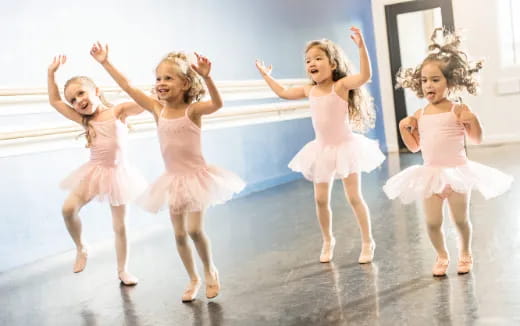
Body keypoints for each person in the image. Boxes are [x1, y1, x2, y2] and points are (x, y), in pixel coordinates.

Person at [383, 28, 513, 276]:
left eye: (435, 79)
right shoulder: (420, 115)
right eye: (424, 80)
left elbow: (476, 139)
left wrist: (472, 119)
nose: (428, 85)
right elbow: (414, 147)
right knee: (432, 223)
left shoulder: (457, 109)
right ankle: (442, 254)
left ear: (449, 82)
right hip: (431, 174)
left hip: (457, 173)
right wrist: (403, 128)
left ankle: (465, 251)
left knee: (460, 220)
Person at [256, 27, 385, 264]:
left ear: (333, 64)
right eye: (308, 60)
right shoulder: (310, 90)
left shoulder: (341, 86)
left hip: (346, 147)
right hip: (322, 150)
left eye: (318, 58)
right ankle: (328, 240)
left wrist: (361, 47)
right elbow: (284, 92)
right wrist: (266, 76)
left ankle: (368, 241)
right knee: (320, 199)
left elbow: (365, 77)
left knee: (354, 197)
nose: (312, 63)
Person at [47, 55, 147, 285]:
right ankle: (81, 247)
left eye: (81, 93)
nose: (78, 100)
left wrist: (106, 63)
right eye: (73, 99)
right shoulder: (85, 120)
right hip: (94, 172)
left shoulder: (119, 111)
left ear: (96, 91)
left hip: (118, 174)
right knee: (68, 209)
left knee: (120, 226)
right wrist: (51, 73)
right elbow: (54, 101)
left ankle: (123, 270)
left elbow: (142, 100)